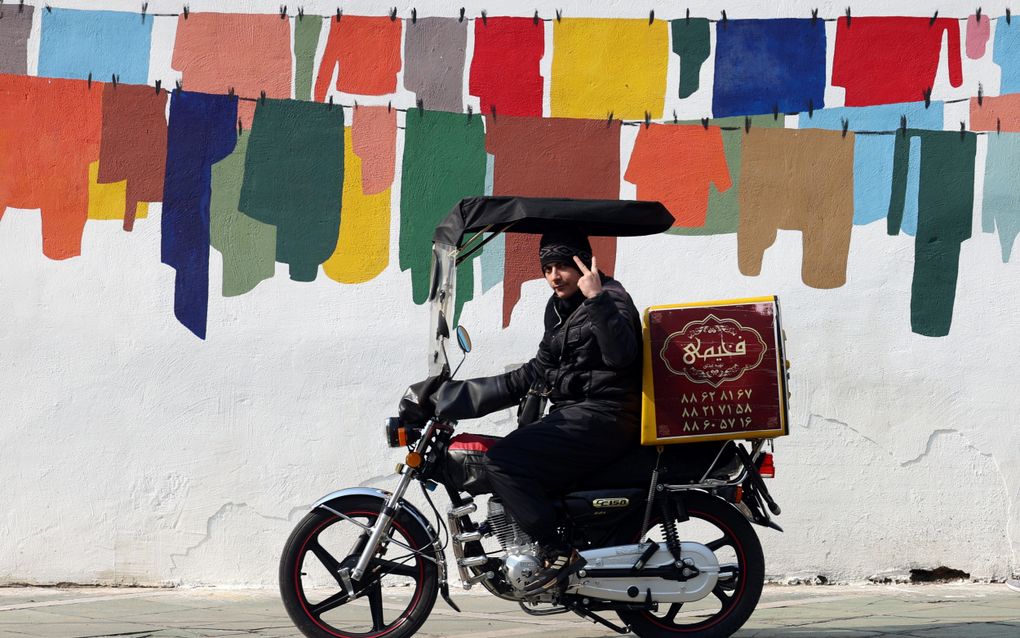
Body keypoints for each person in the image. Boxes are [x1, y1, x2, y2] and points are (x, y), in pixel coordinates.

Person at [434, 231, 644, 592]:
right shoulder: (562, 310)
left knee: (504, 462)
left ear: (584, 264)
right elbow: (533, 374)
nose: (554, 276)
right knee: (515, 455)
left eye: (563, 265)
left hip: (605, 416)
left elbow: (622, 355)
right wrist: (449, 398)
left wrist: (596, 299)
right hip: (578, 414)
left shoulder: (611, 298)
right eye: (547, 268)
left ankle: (557, 551)